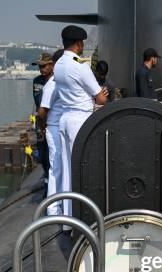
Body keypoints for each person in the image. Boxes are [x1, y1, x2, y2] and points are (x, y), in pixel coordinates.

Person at [54, 25, 109, 220]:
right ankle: (83, 216)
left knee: (68, 169)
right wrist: (100, 94)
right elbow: (101, 99)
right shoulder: (80, 67)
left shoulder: (58, 65)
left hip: (64, 118)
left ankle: (69, 219)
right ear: (79, 43)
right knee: (84, 167)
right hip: (80, 119)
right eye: (82, 43)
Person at [37, 49, 65, 215]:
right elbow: (42, 112)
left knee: (63, 167)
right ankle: (53, 208)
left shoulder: (62, 81)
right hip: (53, 128)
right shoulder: (52, 84)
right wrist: (42, 128)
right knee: (56, 168)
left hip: (61, 128)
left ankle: (61, 202)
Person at [31, 53, 53, 179]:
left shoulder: (57, 80)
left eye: (44, 66)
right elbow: (39, 102)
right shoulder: (37, 81)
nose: (41, 69)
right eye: (39, 67)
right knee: (43, 152)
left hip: (53, 122)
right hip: (41, 123)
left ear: (52, 65)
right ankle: (46, 176)